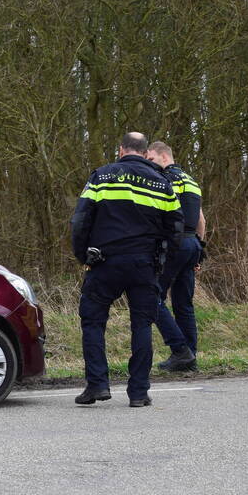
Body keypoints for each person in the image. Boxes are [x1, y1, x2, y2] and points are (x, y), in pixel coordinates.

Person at [70, 132, 184, 407]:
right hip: (144, 264)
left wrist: (82, 255)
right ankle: (139, 393)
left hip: (104, 262)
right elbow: (176, 229)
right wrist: (162, 265)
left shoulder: (102, 176)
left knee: (93, 322)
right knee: (142, 325)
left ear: (121, 150)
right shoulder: (163, 183)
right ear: (146, 153)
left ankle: (97, 385)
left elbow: (80, 219)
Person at [146, 141, 204, 372]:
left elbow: (159, 213)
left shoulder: (165, 180)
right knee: (183, 304)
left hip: (174, 244)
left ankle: (180, 349)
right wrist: (201, 248)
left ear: (163, 156)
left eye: (150, 159)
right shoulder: (191, 181)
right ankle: (190, 358)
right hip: (192, 244)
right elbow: (201, 219)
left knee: (152, 296)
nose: (148, 164)